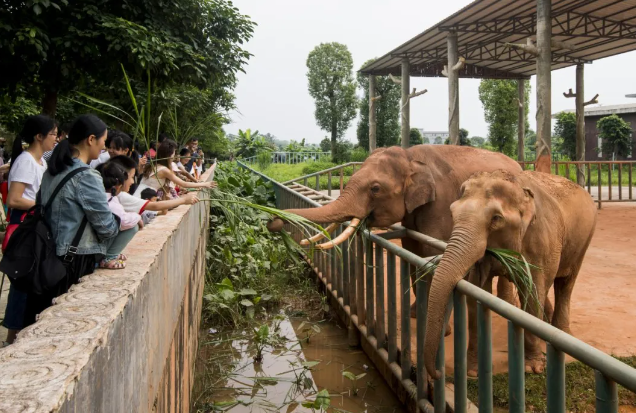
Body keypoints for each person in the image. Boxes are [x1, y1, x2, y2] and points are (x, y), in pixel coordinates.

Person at [32, 114, 122, 327]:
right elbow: (106, 228)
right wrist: (118, 220)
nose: (104, 147)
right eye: (103, 141)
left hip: (47, 255)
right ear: (91, 139)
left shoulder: (52, 171)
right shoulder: (87, 176)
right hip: (75, 260)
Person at [1, 114, 58, 345]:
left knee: (31, 282)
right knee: (22, 283)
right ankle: (12, 338)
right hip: (24, 229)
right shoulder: (25, 161)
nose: (56, 139)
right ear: (39, 136)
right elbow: (14, 199)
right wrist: (44, 205)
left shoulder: (41, 162)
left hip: (34, 228)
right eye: (53, 134)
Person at [107, 155, 200, 215]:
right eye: (131, 177)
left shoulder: (111, 195)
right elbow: (155, 206)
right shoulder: (121, 196)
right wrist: (183, 200)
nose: (132, 182)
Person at [136, 139, 216, 199]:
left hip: (139, 196)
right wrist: (204, 184)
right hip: (143, 200)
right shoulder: (164, 170)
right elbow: (184, 184)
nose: (174, 156)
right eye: (174, 153)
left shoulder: (153, 165)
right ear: (169, 155)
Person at [98, 162, 142, 269]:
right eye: (131, 177)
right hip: (99, 244)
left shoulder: (100, 196)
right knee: (132, 227)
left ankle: (110, 253)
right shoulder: (110, 200)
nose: (132, 181)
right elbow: (124, 221)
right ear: (118, 186)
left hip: (96, 242)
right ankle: (109, 257)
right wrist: (138, 217)